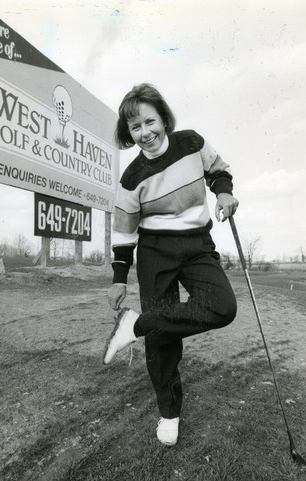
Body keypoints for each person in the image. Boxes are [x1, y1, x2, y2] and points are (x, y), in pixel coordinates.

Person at [103, 83, 239, 447]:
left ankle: (136, 324)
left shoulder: (191, 143)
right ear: (128, 133)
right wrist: (119, 279)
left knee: (223, 307)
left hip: (198, 246)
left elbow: (218, 170)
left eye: (150, 121)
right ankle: (169, 411)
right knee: (162, 341)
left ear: (164, 118)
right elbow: (124, 234)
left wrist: (223, 191)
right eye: (135, 127)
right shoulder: (131, 179)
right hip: (155, 252)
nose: (145, 132)